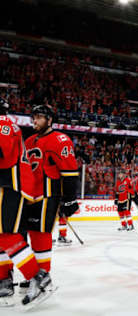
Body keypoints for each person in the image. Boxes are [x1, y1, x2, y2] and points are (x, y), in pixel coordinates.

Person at [0, 99, 55, 308]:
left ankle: (37, 277)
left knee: (6, 236)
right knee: (2, 236)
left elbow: (2, 151)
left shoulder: (3, 123)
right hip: (8, 186)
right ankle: (4, 281)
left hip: (8, 186)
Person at [23, 104, 80, 304]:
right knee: (28, 234)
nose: (34, 121)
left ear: (49, 120)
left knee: (41, 234)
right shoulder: (29, 140)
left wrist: (70, 198)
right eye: (33, 117)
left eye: (38, 117)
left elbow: (70, 171)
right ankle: (34, 274)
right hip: (28, 193)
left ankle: (43, 276)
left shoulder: (60, 139)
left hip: (48, 193)